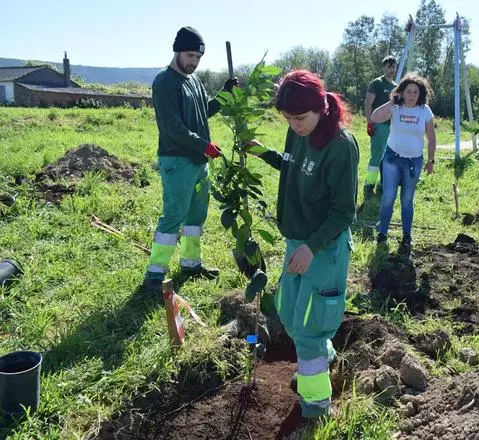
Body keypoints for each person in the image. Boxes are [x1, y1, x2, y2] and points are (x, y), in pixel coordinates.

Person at [246, 70, 359, 422]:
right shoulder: (298, 133)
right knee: (292, 313)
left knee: (309, 325)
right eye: (287, 119)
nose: (294, 125)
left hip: (322, 248)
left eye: (300, 118)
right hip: (297, 241)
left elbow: (343, 212)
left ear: (321, 108)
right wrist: (264, 153)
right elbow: (292, 166)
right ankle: (320, 358)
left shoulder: (341, 148)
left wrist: (311, 247)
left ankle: (316, 409)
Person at [143, 27, 237, 294]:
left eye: (198, 57)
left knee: (196, 215)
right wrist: (204, 145)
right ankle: (154, 274)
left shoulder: (193, 81)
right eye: (190, 55)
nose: (193, 62)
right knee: (174, 215)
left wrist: (224, 94)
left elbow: (203, 111)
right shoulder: (165, 82)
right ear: (177, 50)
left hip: (198, 162)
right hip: (177, 160)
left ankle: (191, 264)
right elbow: (173, 127)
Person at [369, 73, 436, 249]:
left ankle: (407, 236)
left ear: (420, 94)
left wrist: (431, 160)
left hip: (413, 162)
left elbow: (431, 136)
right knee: (388, 198)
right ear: (402, 92)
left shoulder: (425, 111)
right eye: (408, 92)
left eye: (415, 92)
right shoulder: (395, 108)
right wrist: (392, 101)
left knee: (407, 200)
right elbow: (375, 117)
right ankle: (382, 233)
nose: (412, 96)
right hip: (392, 159)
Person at [363, 56, 398, 199]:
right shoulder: (377, 83)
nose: (391, 70)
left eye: (393, 67)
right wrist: (370, 122)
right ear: (383, 68)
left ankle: (382, 186)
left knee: (388, 158)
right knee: (377, 157)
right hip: (379, 126)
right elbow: (367, 103)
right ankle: (369, 186)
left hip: (392, 128)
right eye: (388, 67)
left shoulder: (396, 87)